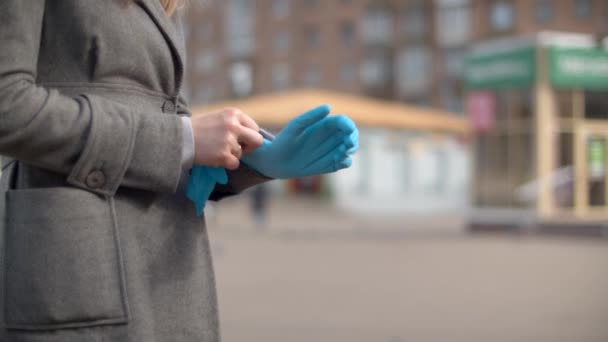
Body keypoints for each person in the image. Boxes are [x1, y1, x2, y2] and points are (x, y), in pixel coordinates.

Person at [0, 1, 357, 341]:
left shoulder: (167, 6)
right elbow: (7, 106)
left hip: (165, 264)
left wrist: (249, 160)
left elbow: (158, 132)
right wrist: (182, 139)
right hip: (75, 268)